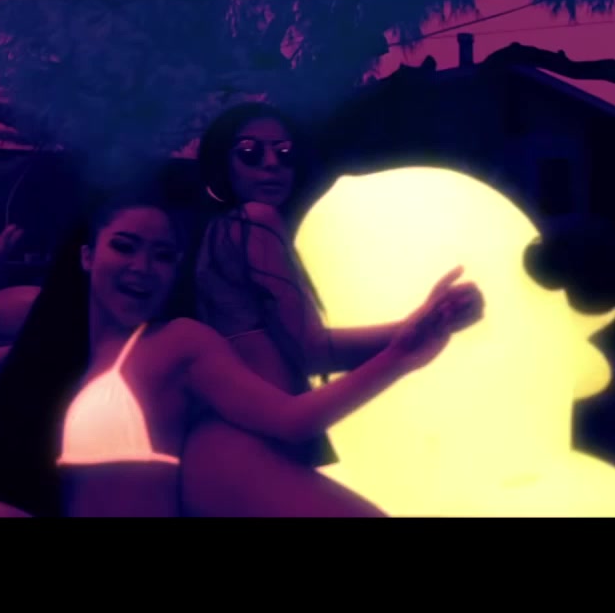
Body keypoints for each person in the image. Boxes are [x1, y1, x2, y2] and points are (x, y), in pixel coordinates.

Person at [0, 185, 483, 517]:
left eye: (163, 256)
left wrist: (401, 354)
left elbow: (292, 417)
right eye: (126, 247)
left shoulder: (179, 345)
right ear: (87, 256)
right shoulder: (50, 359)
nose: (143, 267)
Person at [182, 102, 475, 516]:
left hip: (229, 445)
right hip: (248, 445)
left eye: (284, 153)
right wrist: (417, 329)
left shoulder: (218, 234)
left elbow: (305, 351)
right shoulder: (254, 220)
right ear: (222, 164)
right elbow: (312, 350)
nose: (271, 164)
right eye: (250, 153)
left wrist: (422, 326)